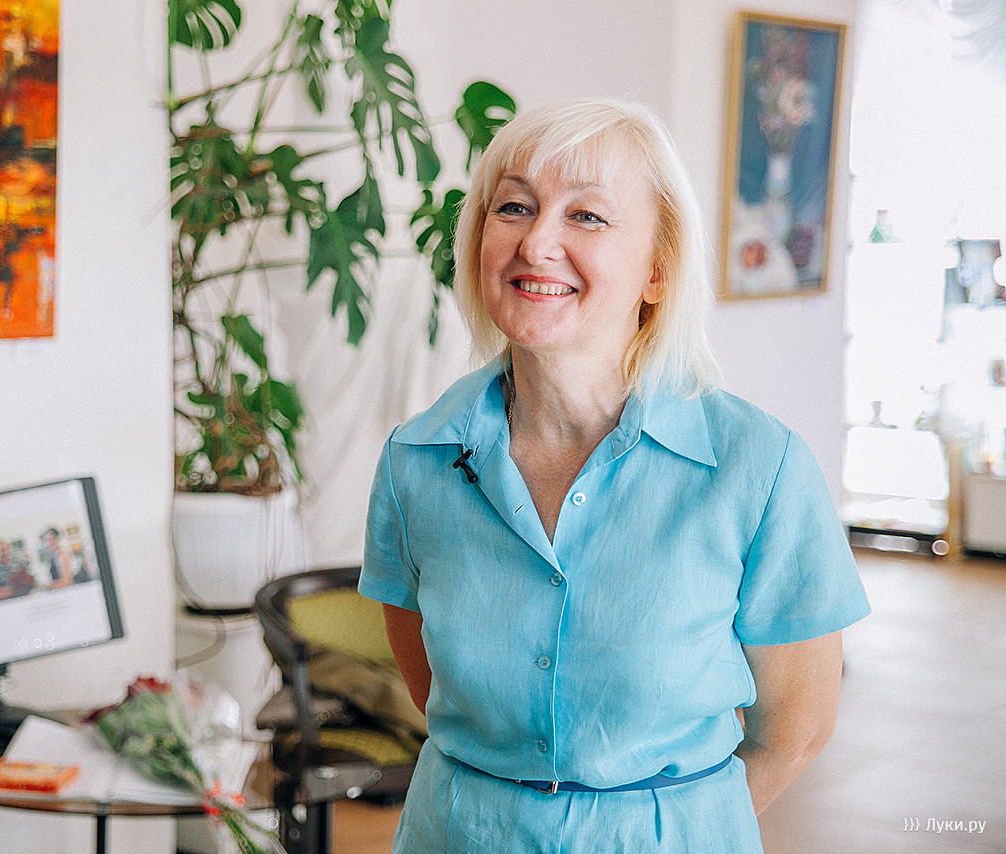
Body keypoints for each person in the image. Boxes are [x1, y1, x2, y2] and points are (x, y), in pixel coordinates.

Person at [359, 98, 870, 853]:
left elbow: (796, 730)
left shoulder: (759, 467)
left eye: (587, 216)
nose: (537, 242)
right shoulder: (416, 460)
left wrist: (669, 827)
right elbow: (435, 692)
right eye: (514, 207)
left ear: (657, 271)